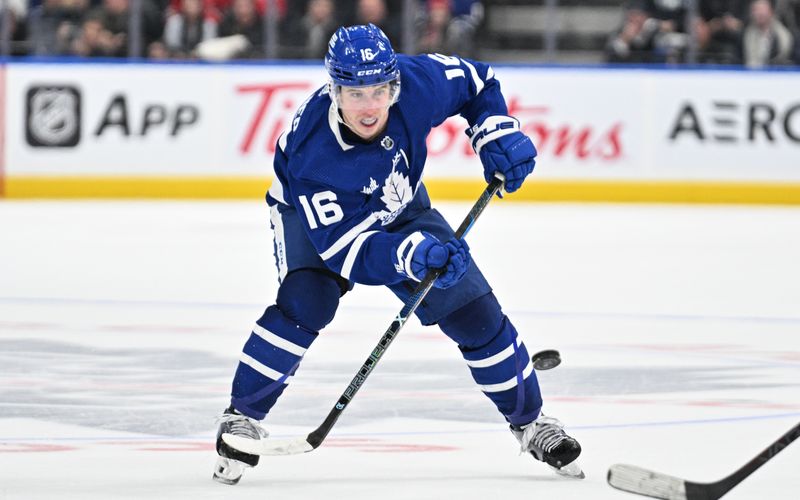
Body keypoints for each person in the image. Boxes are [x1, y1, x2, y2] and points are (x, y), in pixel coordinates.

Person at [212, 23, 583, 486]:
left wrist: (493, 131)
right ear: (334, 91)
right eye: (354, 93)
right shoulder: (314, 154)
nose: (369, 107)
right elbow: (348, 253)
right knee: (308, 299)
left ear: (394, 85)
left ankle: (532, 422)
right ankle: (241, 416)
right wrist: (410, 254)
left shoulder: (417, 84)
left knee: (475, 314)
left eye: (378, 91)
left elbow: (478, 81)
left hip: (399, 201)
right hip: (312, 221)